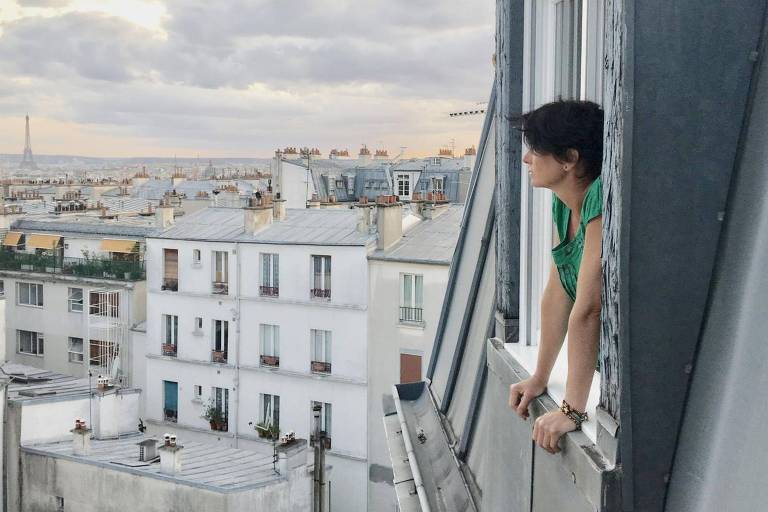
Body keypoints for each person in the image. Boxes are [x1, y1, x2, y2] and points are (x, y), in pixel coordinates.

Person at [508, 99, 604, 454]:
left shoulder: (599, 199)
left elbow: (589, 308)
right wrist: (539, 377)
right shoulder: (564, 203)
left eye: (535, 149)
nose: (526, 158)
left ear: (569, 158)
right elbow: (558, 294)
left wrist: (572, 410)